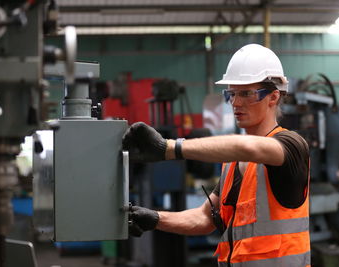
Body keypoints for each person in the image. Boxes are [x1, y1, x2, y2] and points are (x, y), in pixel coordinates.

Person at [122, 44, 310, 267]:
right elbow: (203, 218)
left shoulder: (291, 146)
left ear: (273, 97)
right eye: (231, 93)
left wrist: (169, 148)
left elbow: (249, 147)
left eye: (246, 93)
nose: (236, 102)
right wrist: (153, 218)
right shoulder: (233, 164)